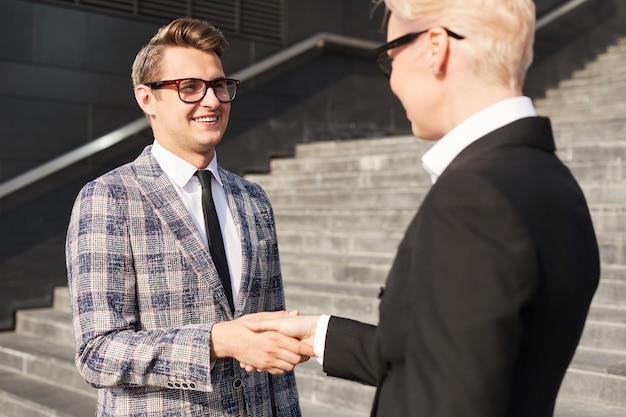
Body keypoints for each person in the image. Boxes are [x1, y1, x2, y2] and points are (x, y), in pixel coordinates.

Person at [244, 0, 600, 416]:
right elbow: (454, 355)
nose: (391, 79)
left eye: (389, 56)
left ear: (435, 47)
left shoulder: (474, 199)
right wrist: (318, 334)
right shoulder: (551, 180)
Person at [65, 17, 312, 417]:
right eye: (190, 88)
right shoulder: (108, 197)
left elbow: (272, 339)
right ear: (147, 99)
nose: (212, 100)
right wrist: (216, 341)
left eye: (219, 85)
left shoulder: (253, 200)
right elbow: (98, 353)